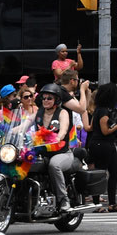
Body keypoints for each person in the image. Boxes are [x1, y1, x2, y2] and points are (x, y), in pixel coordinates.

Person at [36, 83, 81, 213]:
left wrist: (58, 137)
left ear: (56, 100)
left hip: (62, 153)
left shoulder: (62, 113)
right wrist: (9, 132)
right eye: (44, 98)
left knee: (54, 165)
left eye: (49, 98)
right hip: (43, 152)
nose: (46, 100)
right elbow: (25, 123)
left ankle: (63, 200)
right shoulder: (39, 112)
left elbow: (64, 128)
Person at [85, 82, 117, 212]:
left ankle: (109, 203)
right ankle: (100, 203)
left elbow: (91, 127)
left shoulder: (98, 109)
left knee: (111, 172)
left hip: (99, 143)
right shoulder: (104, 111)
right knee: (104, 173)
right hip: (104, 143)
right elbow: (105, 131)